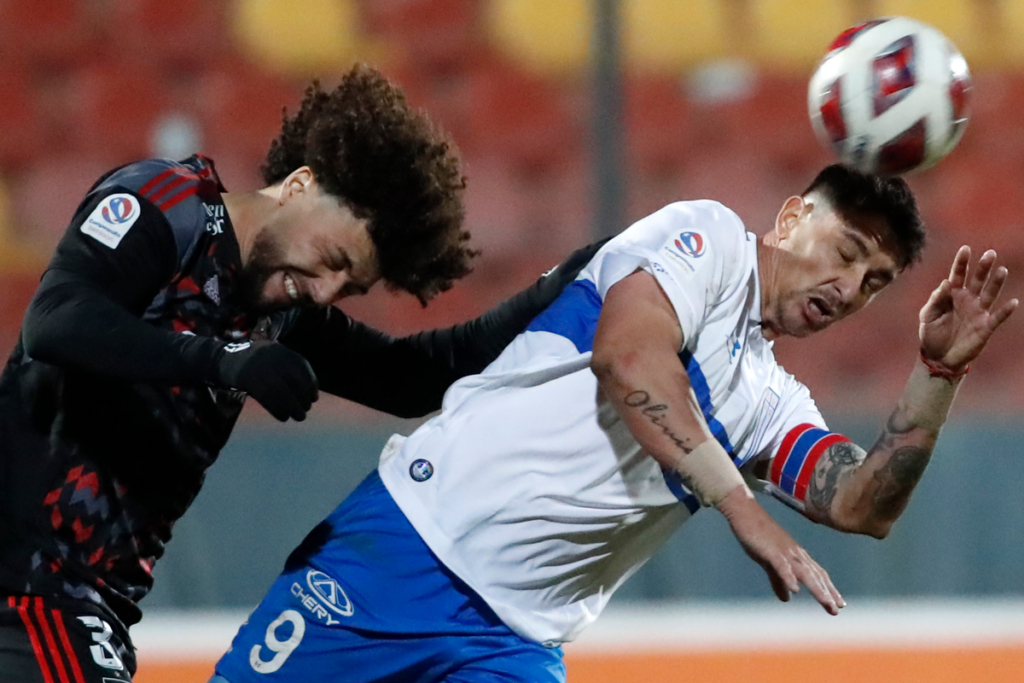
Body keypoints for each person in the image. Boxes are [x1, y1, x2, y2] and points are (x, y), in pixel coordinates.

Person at [211, 165, 1016, 683]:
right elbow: (629, 359)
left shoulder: (769, 397)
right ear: (791, 214)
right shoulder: (701, 242)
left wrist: (939, 372)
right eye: (843, 251)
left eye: (872, 282)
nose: (847, 286)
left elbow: (862, 503)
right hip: (407, 547)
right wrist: (743, 510)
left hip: (513, 645)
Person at [0, 64, 604, 683]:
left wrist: (557, 289)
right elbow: (54, 322)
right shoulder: (169, 207)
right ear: (299, 185)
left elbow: (412, 377)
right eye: (333, 260)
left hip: (90, 609)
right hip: (28, 587)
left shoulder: (278, 313)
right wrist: (223, 359)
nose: (326, 292)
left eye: (351, 286)